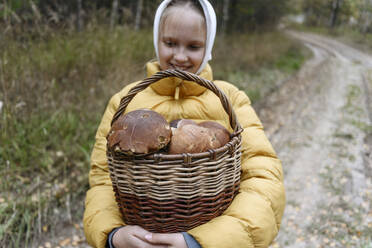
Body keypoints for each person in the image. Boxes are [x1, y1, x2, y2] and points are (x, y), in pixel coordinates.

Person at [83, 0, 286, 247]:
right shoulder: (124, 102)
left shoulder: (230, 100)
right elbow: (103, 179)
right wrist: (113, 235)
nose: (179, 56)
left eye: (193, 46)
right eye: (170, 43)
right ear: (157, 40)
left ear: (208, 47)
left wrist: (200, 242)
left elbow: (264, 178)